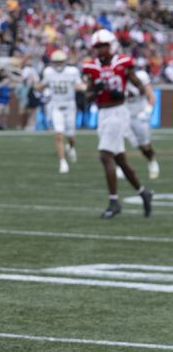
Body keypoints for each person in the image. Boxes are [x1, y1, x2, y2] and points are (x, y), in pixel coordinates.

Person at [82, 29, 153, 219]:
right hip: (103, 114)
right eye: (98, 47)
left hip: (118, 112)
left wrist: (126, 95)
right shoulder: (92, 67)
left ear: (111, 45)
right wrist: (93, 92)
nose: (101, 50)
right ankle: (143, 192)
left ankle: (114, 202)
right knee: (120, 160)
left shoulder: (123, 63)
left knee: (105, 156)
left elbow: (139, 86)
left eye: (103, 46)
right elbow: (88, 95)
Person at [36, 50, 85, 174]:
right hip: (56, 106)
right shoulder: (48, 72)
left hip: (69, 106)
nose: (58, 65)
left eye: (60, 62)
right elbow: (42, 85)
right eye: (56, 62)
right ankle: (63, 162)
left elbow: (79, 84)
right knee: (58, 135)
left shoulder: (72, 72)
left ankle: (71, 147)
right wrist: (37, 86)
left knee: (71, 136)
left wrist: (83, 87)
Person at [125, 67, 159, 179]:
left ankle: (151, 160)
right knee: (118, 141)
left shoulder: (141, 76)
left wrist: (147, 111)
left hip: (139, 115)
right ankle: (121, 167)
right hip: (124, 115)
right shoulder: (119, 78)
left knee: (144, 145)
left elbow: (151, 97)